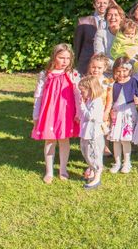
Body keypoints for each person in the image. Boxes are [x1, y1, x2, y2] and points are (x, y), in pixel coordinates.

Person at [31, 43, 81, 184]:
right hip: (49, 113)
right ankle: (49, 171)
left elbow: (78, 95)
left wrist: (78, 112)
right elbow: (38, 96)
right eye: (61, 57)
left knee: (64, 140)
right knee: (50, 140)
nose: (65, 61)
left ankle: (63, 169)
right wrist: (35, 115)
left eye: (68, 58)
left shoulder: (73, 74)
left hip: (66, 113)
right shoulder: (45, 75)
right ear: (54, 57)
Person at [107, 56, 138, 174]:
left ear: (129, 70)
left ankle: (127, 162)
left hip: (128, 111)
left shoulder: (133, 81)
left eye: (124, 70)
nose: (121, 74)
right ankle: (117, 163)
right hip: (116, 112)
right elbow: (109, 98)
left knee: (125, 139)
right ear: (115, 71)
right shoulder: (113, 83)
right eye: (119, 71)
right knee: (116, 139)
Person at [76, 75, 107, 189]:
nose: (81, 93)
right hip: (86, 132)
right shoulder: (90, 100)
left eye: (82, 91)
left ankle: (97, 174)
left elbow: (90, 116)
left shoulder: (97, 101)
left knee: (94, 154)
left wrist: (82, 105)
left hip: (93, 134)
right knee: (86, 152)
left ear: (90, 89)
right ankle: (92, 170)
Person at [74, 0, 111, 74]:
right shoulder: (83, 21)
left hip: (109, 62)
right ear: (94, 5)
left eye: (105, 3)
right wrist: (77, 63)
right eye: (99, 3)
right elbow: (78, 45)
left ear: (109, 5)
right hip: (87, 63)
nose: (102, 5)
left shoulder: (114, 21)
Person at [93, 3, 124, 71]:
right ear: (106, 17)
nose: (113, 17)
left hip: (127, 70)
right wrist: (118, 66)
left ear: (121, 18)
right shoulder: (100, 33)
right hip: (108, 72)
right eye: (110, 15)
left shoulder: (127, 33)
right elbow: (100, 57)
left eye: (116, 15)